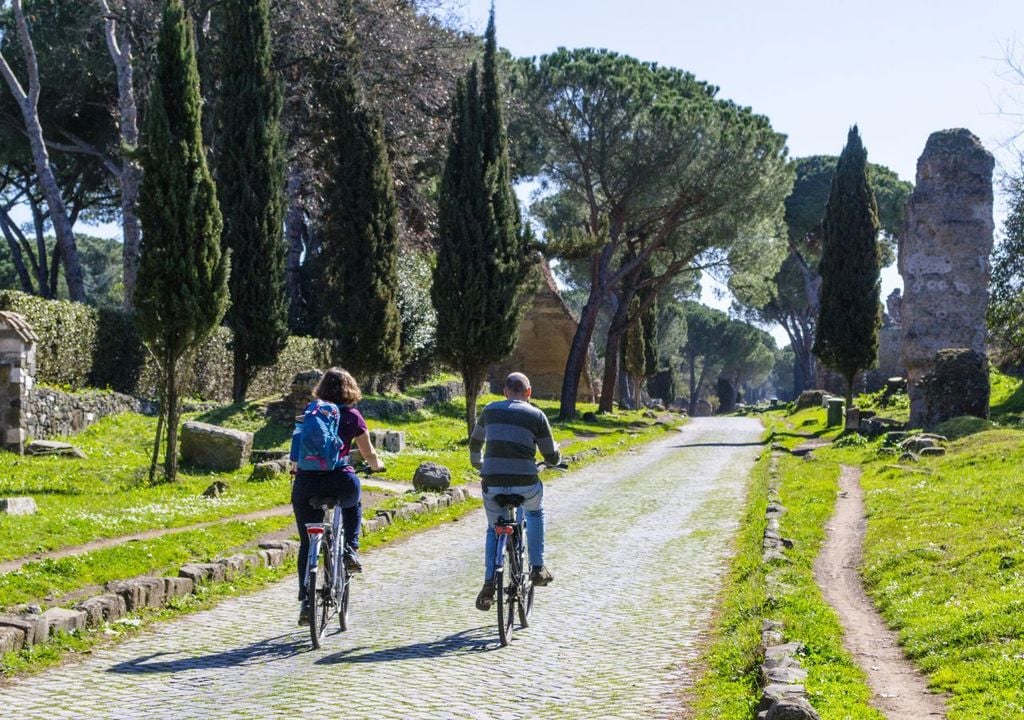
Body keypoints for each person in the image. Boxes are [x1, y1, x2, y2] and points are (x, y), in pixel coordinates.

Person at [290, 367, 384, 626]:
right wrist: (377, 466)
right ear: (350, 389)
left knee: (307, 542)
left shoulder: (311, 414)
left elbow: (295, 454)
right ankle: (351, 550)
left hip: (307, 483)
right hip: (340, 479)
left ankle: (306, 602)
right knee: (353, 502)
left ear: (321, 389)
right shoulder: (353, 416)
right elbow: (368, 454)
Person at [470, 372, 561, 611]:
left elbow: (475, 443)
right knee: (534, 513)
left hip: (492, 482)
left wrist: (478, 464)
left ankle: (489, 582)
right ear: (528, 392)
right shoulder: (537, 415)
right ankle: (538, 567)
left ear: (505, 392)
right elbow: (550, 455)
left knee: (493, 528)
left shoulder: (489, 410)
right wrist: (555, 459)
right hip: (525, 482)